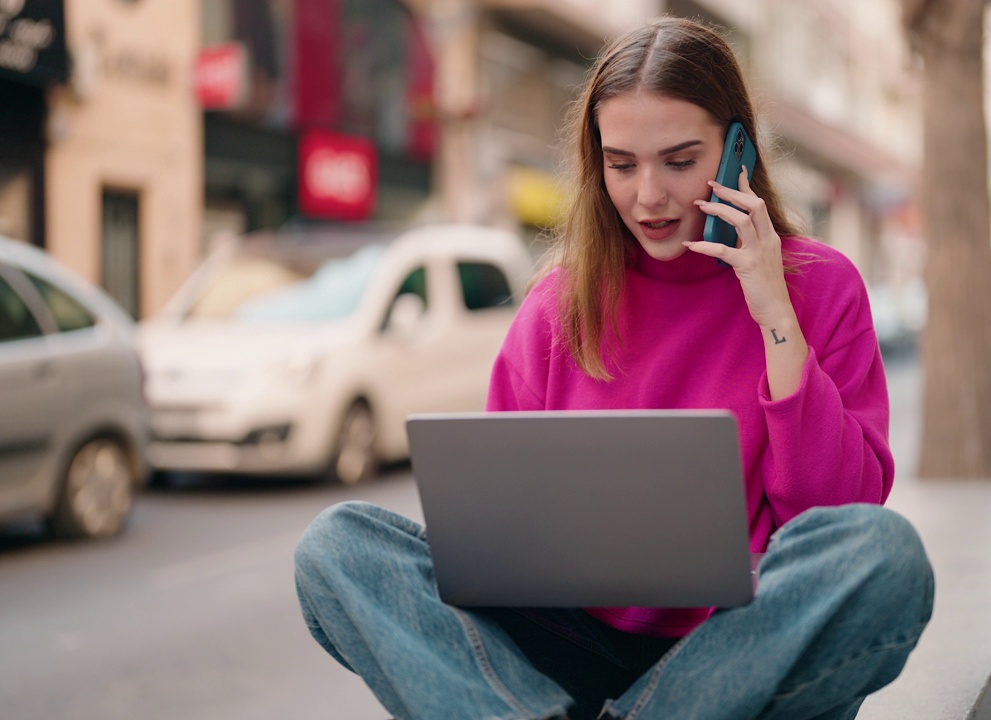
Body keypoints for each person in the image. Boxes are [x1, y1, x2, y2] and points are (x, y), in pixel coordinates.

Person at [294, 16, 934, 720]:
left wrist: (776, 320)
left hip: (734, 649)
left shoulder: (820, 287)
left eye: (680, 160)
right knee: (338, 547)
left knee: (887, 555)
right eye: (622, 164)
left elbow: (836, 517)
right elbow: (493, 538)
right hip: (561, 644)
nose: (648, 196)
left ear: (736, 152)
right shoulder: (555, 307)